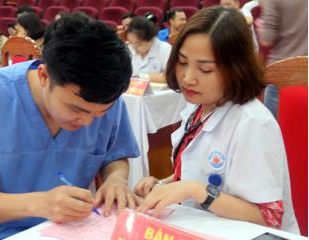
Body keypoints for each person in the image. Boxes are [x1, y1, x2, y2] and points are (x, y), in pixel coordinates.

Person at [0, 13, 140, 239]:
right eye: (77, 109)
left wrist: (116, 180)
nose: (88, 122)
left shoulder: (105, 99)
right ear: (44, 76)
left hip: (70, 230)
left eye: (101, 113)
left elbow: (115, 156)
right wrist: (39, 204)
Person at [134, 6, 299, 234]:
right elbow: (202, 170)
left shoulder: (253, 123)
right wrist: (166, 185)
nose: (188, 78)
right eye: (182, 62)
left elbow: (267, 217)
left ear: (235, 69)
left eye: (205, 69)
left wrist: (195, 190)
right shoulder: (199, 107)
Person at [259, 0, 308, 117]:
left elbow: (266, 39)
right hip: (305, 69)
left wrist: (260, 26)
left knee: (273, 130)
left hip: (281, 73)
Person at [126, 15, 172, 83]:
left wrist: (140, 77)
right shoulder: (130, 48)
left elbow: (169, 77)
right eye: (131, 43)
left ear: (151, 39)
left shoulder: (165, 50)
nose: (134, 48)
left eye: (138, 44)